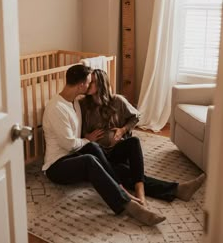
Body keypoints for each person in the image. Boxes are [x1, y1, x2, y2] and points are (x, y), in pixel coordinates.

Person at [42, 64, 166, 226]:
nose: (90, 85)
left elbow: (79, 138)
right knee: (89, 159)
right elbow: (70, 145)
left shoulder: (75, 103)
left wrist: (95, 138)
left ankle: (128, 188)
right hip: (57, 165)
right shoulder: (56, 108)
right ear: (81, 85)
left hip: (74, 155)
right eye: (89, 82)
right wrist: (88, 139)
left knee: (104, 158)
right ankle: (128, 204)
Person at [80, 69, 205, 207]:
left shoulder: (117, 101)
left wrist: (122, 130)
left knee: (134, 142)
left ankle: (140, 192)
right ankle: (178, 190)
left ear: (101, 84)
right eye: (88, 81)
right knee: (125, 174)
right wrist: (86, 137)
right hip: (101, 155)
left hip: (117, 151)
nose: (87, 84)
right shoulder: (83, 105)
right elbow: (78, 130)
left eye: (92, 82)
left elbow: (135, 117)